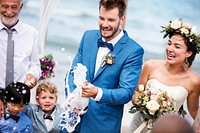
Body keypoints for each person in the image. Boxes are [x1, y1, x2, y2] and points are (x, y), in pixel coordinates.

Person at [65, 0, 144, 132]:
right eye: (101, 18)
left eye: (111, 20)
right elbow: (73, 71)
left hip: (102, 125)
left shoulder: (134, 51)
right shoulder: (88, 36)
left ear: (122, 19)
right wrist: (72, 98)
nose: (104, 24)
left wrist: (97, 92)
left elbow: (126, 92)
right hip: (72, 120)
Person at [128, 18, 200, 133]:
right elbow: (135, 96)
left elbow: (194, 111)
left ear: (188, 53)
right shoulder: (150, 66)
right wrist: (145, 103)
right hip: (139, 126)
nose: (170, 49)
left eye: (177, 46)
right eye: (169, 44)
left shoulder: (194, 81)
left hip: (169, 129)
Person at [0, 0, 41, 115]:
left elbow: (35, 64)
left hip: (20, 98)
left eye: (14, 7)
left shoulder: (32, 33)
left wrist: (33, 75)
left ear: (21, 7)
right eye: (5, 6)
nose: (9, 12)